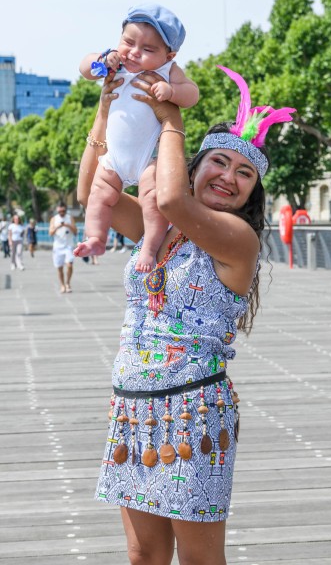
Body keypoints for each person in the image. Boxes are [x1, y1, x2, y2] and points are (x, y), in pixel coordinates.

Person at [77, 64, 294, 565]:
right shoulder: (165, 232)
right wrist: (107, 108)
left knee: (199, 561)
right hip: (133, 411)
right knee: (143, 556)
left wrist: (169, 114)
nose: (229, 177)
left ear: (252, 191)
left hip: (192, 415)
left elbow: (172, 197)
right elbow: (92, 192)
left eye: (245, 174)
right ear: (194, 166)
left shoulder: (237, 240)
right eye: (219, 162)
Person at [74, 3, 199, 272]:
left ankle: (150, 248)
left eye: (148, 50)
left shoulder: (168, 72)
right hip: (113, 159)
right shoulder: (114, 64)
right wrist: (101, 60)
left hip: (147, 159)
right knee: (97, 195)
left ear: (169, 55)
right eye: (128, 42)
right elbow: (85, 68)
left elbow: (192, 94)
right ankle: (96, 238)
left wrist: (171, 91)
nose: (134, 52)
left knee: (152, 201)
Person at [49, 202, 77, 293]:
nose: (62, 212)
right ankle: (62, 285)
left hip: (68, 246)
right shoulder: (54, 219)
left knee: (69, 265)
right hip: (58, 246)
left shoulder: (70, 218)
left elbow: (75, 232)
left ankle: (68, 283)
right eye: (60, 211)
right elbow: (51, 233)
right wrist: (58, 226)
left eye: (63, 210)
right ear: (57, 210)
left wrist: (68, 225)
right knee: (59, 268)